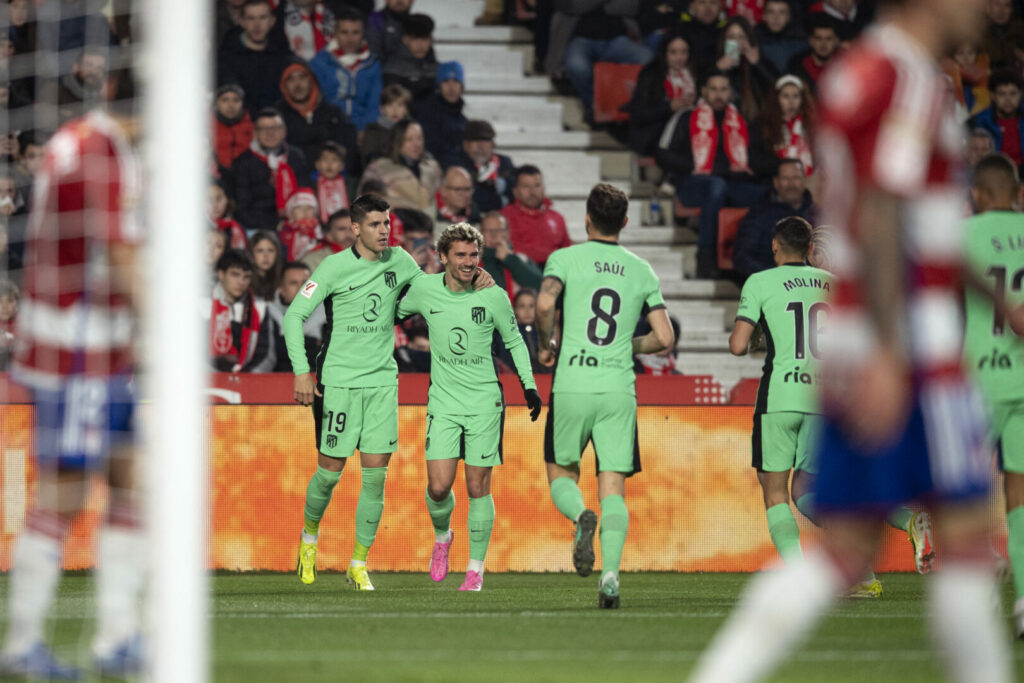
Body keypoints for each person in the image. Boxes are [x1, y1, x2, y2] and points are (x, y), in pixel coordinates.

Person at [690, 0, 1016, 679]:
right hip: (912, 346)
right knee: (961, 548)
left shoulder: (873, 72)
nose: (992, 8)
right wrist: (893, 350)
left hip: (887, 338)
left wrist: (1001, 305)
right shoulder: (901, 78)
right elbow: (882, 211)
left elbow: (922, 225)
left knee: (852, 552)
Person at [284, 194, 496, 591]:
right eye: (377, 224)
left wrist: (475, 278)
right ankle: (309, 538)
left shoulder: (400, 261)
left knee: (375, 479)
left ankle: (358, 563)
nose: (385, 231)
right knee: (329, 475)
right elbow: (294, 315)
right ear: (356, 228)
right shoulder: (332, 267)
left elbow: (435, 290)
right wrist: (301, 372)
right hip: (340, 383)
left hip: (382, 382)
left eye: (387, 223)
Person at [1, 104, 144, 678]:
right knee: (63, 493)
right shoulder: (98, 150)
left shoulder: (76, 141)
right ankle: (24, 641)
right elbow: (118, 249)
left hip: (89, 344)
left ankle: (116, 635)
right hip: (77, 348)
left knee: (132, 476)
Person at [731, 216, 933, 583]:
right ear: (810, 249)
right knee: (808, 492)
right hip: (823, 400)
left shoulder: (759, 281)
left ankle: (795, 579)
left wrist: (763, 334)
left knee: (775, 493)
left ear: (775, 245)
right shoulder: (835, 284)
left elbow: (737, 345)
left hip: (779, 397)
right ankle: (892, 539)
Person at [536, 183, 674, 609]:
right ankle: (610, 577)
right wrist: (626, 346)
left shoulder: (565, 258)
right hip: (618, 389)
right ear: (626, 222)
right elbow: (664, 338)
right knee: (613, 488)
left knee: (561, 474)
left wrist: (546, 343)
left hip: (573, 382)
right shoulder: (641, 270)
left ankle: (580, 518)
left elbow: (543, 305)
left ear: (587, 219)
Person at [396, 222, 541, 591]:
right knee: (439, 487)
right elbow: (391, 312)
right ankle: (443, 537)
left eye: (473, 255)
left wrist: (529, 386)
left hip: (484, 401)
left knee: (478, 485)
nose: (468, 262)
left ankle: (475, 569)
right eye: (460, 255)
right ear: (443, 257)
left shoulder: (493, 295)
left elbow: (515, 341)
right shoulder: (425, 289)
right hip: (443, 402)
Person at [962, 153, 1024, 637]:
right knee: (1019, 496)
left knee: (963, 490)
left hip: (977, 381)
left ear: (978, 195)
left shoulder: (965, 237)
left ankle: (978, 588)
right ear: (1018, 193)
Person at [657, 70, 769, 279]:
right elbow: (662, 154)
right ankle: (705, 257)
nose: (719, 94)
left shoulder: (740, 121)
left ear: (730, 93)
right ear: (704, 91)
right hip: (693, 183)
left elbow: (754, 158)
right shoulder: (686, 116)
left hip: (732, 183)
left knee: (768, 194)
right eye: (714, 89)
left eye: (724, 89)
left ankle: (751, 258)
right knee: (716, 186)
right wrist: (694, 165)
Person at [560, 0, 653, 117]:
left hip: (617, 40)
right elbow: (573, 6)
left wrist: (592, 7)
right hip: (582, 40)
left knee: (647, 58)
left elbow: (632, 6)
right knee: (576, 66)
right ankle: (593, 104)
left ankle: (635, 105)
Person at [230, 108, 312, 234]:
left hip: (297, 220)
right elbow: (243, 210)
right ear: (255, 133)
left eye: (275, 128)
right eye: (263, 129)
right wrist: (275, 224)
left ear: (284, 131)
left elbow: (306, 195)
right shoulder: (243, 162)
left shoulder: (295, 156)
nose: (270, 133)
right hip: (258, 226)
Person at [732, 158, 816, 280]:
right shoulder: (759, 215)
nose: (791, 184)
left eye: (796, 178)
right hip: (770, 287)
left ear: (804, 181)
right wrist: (774, 277)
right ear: (776, 182)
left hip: (812, 288)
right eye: (785, 178)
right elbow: (742, 257)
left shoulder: (818, 216)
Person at [275, 60, 359, 177]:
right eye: (291, 80)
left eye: (302, 77)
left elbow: (349, 147)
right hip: (293, 178)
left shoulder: (333, 113)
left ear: (311, 80)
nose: (298, 84)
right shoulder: (277, 116)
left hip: (334, 178)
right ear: (284, 85)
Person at [309, 6, 383, 131]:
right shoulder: (319, 63)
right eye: (344, 32)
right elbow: (316, 103)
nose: (350, 39)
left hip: (363, 131)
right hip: (328, 129)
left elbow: (374, 105)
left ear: (363, 34)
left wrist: (365, 131)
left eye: (355, 32)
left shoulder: (373, 64)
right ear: (335, 33)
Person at [627, 28, 697, 157]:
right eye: (673, 52)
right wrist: (669, 107)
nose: (679, 58)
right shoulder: (650, 75)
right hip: (655, 132)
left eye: (684, 52)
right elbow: (638, 113)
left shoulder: (695, 74)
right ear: (664, 53)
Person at [207, 249, 276, 372]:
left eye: (246, 277)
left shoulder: (260, 309)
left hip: (247, 380)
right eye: (235, 274)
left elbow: (266, 356)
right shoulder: (203, 305)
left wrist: (247, 378)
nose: (241, 282)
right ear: (221, 274)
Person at [217, 0, 292, 114]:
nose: (257, 25)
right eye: (251, 18)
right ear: (242, 22)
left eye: (262, 18)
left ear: (272, 21)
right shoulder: (226, 58)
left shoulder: (281, 55)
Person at [360, 119, 442, 212]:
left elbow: (442, 199)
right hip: (393, 221)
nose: (416, 144)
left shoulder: (432, 167)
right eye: (409, 139)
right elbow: (366, 202)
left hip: (430, 222)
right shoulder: (378, 168)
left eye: (419, 138)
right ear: (397, 141)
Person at [500, 164, 572, 267]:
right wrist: (552, 255)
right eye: (526, 186)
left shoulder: (557, 217)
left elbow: (567, 250)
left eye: (537, 185)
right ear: (515, 191)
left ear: (543, 188)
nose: (532, 191)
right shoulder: (504, 218)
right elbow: (513, 251)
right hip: (521, 273)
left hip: (555, 272)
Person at [715, 16, 778, 123]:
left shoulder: (762, 63)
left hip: (757, 123)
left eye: (741, 37)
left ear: (749, 39)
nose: (737, 42)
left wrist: (757, 65)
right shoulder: (715, 63)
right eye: (731, 37)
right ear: (724, 40)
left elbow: (776, 90)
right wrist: (718, 69)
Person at [269, 261, 326, 373]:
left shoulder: (329, 314)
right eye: (294, 283)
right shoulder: (268, 314)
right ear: (282, 290)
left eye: (306, 283)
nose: (302, 289)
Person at [451, 120, 515, 213]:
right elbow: (473, 199)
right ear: (465, 144)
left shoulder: (504, 162)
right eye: (475, 140)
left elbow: (518, 189)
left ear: (493, 144)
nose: (481, 146)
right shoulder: (456, 165)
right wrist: (502, 201)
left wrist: (500, 184)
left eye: (485, 140)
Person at [969, 68, 1024, 169]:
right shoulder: (978, 122)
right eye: (1002, 94)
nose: (1008, 100)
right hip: (991, 174)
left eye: (1013, 93)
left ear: (1021, 94)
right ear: (993, 96)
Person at [414, 61, 467, 166]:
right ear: (439, 86)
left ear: (461, 86)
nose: (451, 87)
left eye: (456, 81)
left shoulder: (463, 121)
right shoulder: (426, 114)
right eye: (446, 81)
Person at [760, 75, 815, 174]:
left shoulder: (813, 124)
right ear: (776, 99)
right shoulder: (765, 125)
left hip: (810, 178)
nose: (791, 102)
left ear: (802, 99)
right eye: (786, 96)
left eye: (796, 96)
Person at [480, 211, 542, 293]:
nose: (493, 235)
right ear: (480, 233)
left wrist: (510, 260)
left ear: (508, 233)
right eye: (488, 230)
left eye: (499, 230)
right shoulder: (472, 261)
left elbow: (542, 287)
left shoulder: (521, 258)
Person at [382, 13, 439, 103]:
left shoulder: (437, 68)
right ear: (405, 39)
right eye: (415, 39)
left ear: (431, 40)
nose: (420, 45)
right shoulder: (392, 69)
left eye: (424, 39)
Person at [785, 13, 841, 93]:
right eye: (818, 38)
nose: (823, 44)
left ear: (836, 41)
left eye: (828, 39)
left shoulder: (846, 67)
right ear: (811, 41)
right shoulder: (796, 65)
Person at [360, 83, 412, 167]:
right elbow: (369, 158)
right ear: (382, 109)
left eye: (400, 105)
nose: (395, 110)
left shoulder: (412, 129)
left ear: (406, 109)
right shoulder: (373, 130)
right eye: (390, 105)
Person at [56, 47, 107, 123]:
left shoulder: (106, 101)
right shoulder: (55, 92)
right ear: (75, 67)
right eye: (88, 65)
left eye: (99, 69)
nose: (93, 72)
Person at [756, 0, 807, 75]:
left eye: (782, 12)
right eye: (771, 12)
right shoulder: (753, 41)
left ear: (788, 17)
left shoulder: (801, 44)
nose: (776, 18)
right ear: (764, 16)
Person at [212, 84, 254, 173]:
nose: (231, 105)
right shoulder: (205, 127)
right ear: (216, 103)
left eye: (236, 100)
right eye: (225, 100)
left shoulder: (253, 127)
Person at [278, 188, 322, 261]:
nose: (305, 211)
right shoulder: (283, 232)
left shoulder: (321, 234)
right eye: (299, 207)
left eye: (309, 207)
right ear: (290, 211)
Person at [980, 0, 1024, 70]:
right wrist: (1014, 52)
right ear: (987, 8)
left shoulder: (1019, 29)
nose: (1002, 11)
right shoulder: (979, 30)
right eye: (997, 4)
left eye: (1007, 5)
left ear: (1012, 10)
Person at [209, 180, 248, 249]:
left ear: (227, 200)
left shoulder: (237, 227)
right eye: (209, 200)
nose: (214, 205)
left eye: (219, 199)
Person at [247, 230, 284, 300]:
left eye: (270, 250)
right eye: (260, 250)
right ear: (251, 253)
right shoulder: (244, 281)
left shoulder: (283, 280)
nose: (266, 256)